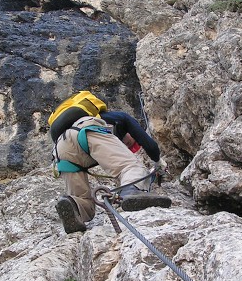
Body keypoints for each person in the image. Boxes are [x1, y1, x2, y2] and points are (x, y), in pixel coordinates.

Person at [50, 92, 170, 234]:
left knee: (80, 197)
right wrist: (157, 162)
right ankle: (133, 192)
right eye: (132, 144)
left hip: (61, 147)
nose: (129, 146)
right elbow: (150, 145)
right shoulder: (121, 118)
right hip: (86, 129)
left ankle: (75, 209)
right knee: (130, 167)